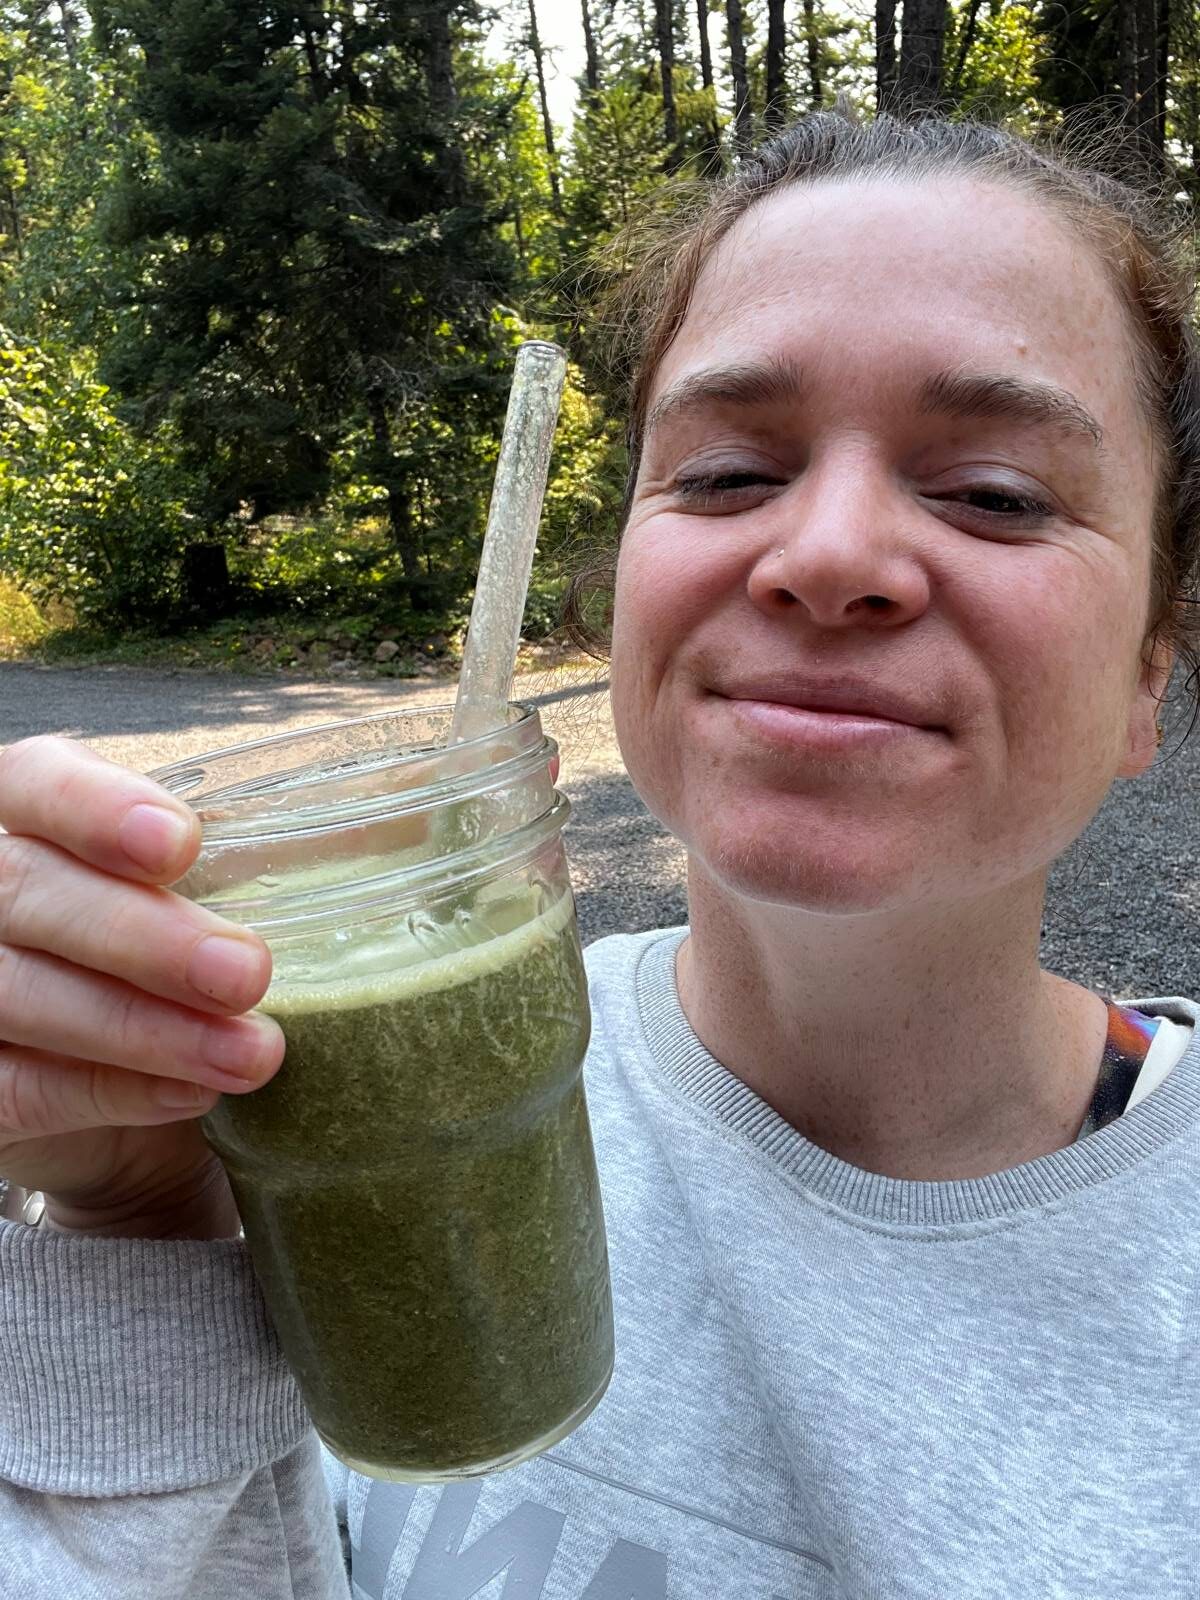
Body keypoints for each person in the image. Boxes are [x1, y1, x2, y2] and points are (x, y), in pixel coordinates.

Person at [1, 100, 1198, 1599]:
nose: (824, 556)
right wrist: (125, 1228)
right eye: (725, 473)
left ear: (1153, 667)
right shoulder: (305, 1116)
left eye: (995, 494)